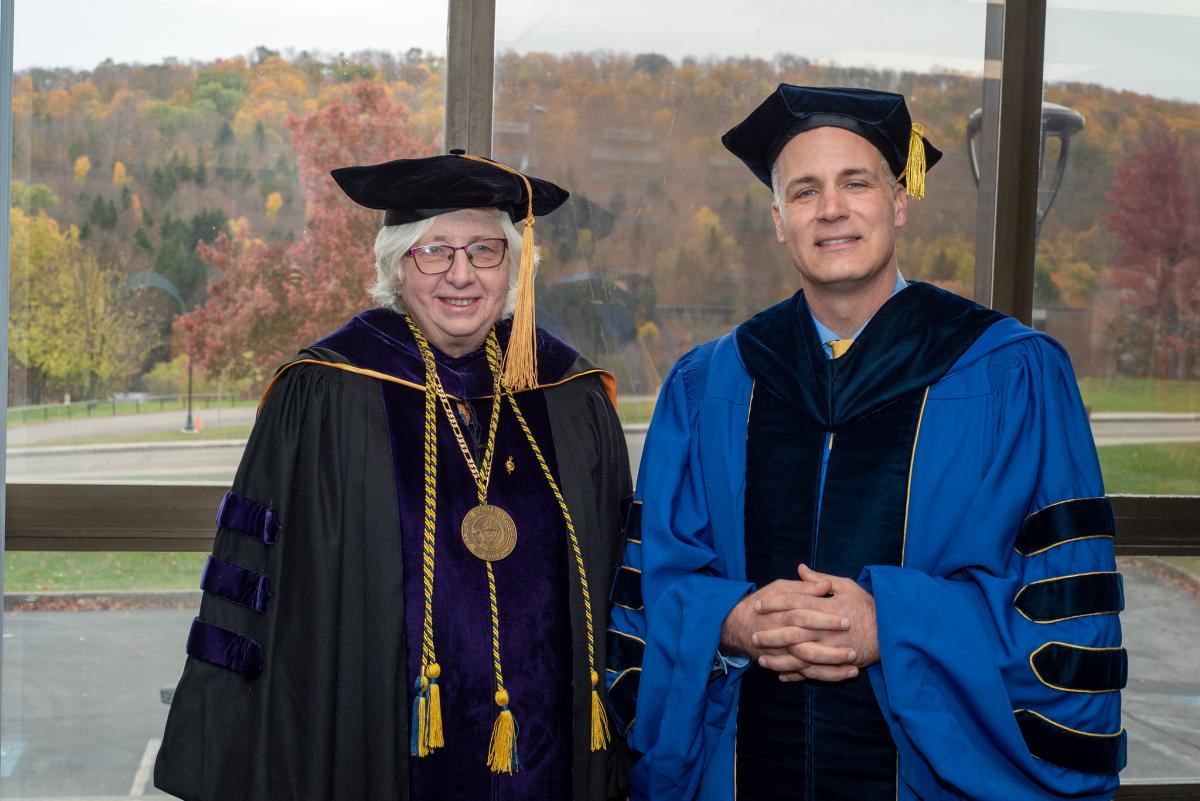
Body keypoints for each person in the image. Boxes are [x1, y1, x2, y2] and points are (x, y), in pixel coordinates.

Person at [606, 85, 1125, 800]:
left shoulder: (1013, 373)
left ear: (899, 201)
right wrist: (729, 620)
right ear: (778, 219)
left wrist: (895, 622)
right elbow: (654, 588)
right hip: (744, 769)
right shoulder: (708, 385)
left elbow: (1064, 613)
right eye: (806, 190)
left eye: (857, 183)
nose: (832, 210)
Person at [155, 152, 632, 801]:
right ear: (397, 266)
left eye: (485, 251)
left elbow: (618, 589)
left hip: (553, 760)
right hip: (371, 753)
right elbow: (258, 594)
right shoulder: (324, 396)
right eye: (434, 251)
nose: (460, 273)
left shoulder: (568, 397)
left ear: (513, 267)